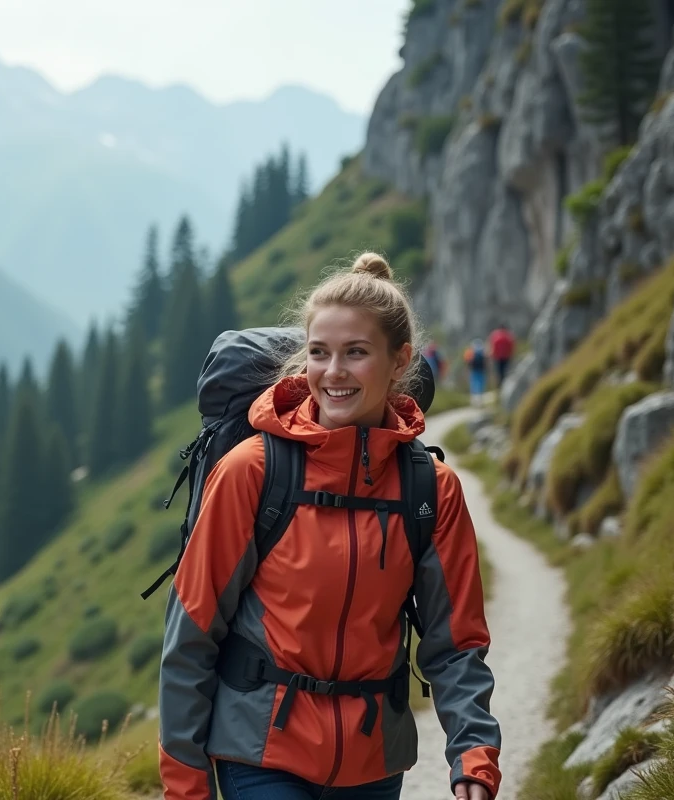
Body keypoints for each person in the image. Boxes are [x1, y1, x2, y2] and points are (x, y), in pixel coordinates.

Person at [157, 253, 501, 800]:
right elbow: (191, 636)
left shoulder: (430, 490)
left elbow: (455, 642)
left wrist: (474, 757)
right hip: (259, 751)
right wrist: (186, 785)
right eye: (319, 353)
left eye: (356, 353)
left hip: (373, 762)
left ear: (399, 361)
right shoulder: (252, 471)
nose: (333, 373)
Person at [487, 325, 515, 390]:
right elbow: (512, 347)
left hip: (497, 357)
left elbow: (492, 346)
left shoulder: (495, 335)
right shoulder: (509, 336)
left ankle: (499, 386)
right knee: (505, 371)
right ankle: (504, 385)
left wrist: (491, 355)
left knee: (498, 372)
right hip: (506, 357)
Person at [463, 338, 487, 406]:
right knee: (481, 384)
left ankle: (474, 400)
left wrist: (467, 369)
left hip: (473, 370)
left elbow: (467, 360)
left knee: (474, 384)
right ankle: (480, 399)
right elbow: (486, 360)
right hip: (481, 370)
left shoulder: (471, 351)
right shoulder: (482, 350)